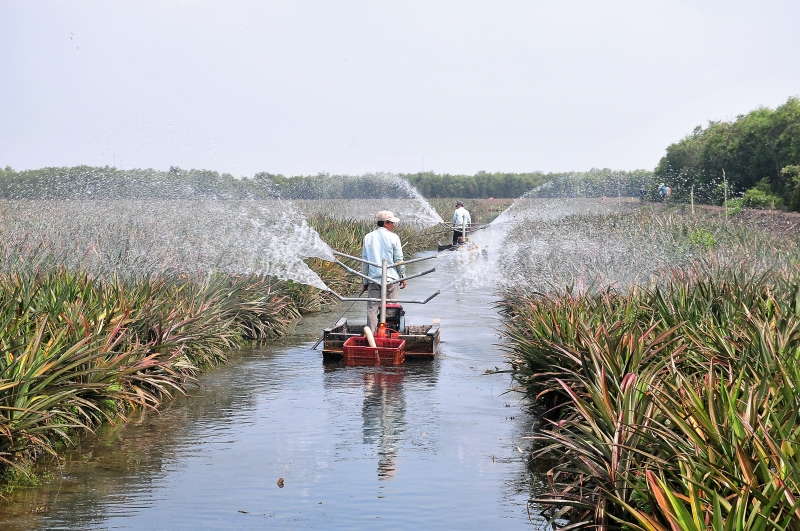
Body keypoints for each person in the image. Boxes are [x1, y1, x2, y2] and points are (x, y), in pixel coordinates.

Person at [361, 211, 407, 332]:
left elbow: (365, 261)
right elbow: (398, 260)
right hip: (391, 279)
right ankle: (390, 333)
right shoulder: (394, 237)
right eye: (391, 223)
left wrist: (365, 281)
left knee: (372, 308)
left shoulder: (368, 237)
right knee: (391, 307)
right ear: (385, 223)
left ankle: (371, 334)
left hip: (373, 279)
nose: (393, 225)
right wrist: (402, 277)